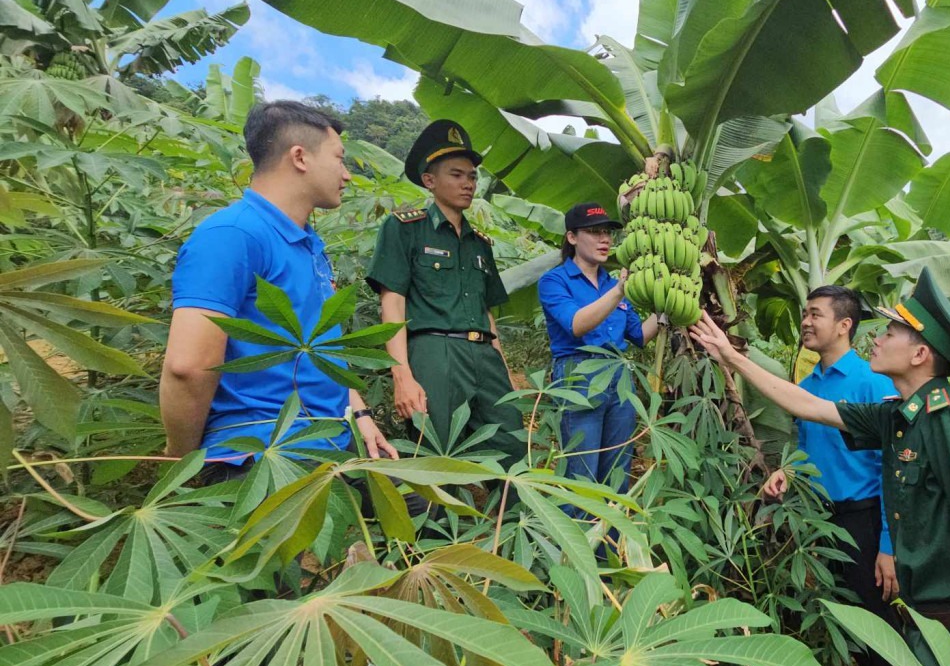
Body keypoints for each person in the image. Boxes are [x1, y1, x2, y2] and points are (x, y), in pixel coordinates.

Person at [688, 269, 950, 666]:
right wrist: (728, 355)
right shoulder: (900, 416)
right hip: (928, 629)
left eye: (890, 332)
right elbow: (808, 405)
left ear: (921, 353)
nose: (877, 339)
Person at [161, 100, 397, 483]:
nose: (347, 175)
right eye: (339, 158)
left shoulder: (307, 243)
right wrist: (182, 462)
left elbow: (321, 349)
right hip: (260, 454)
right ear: (300, 157)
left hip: (329, 440)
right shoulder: (232, 235)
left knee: (429, 514)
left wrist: (360, 415)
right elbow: (187, 368)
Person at [763, 285, 913, 666]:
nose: (806, 322)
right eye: (805, 314)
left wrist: (888, 545)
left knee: (876, 628)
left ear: (845, 325)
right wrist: (787, 473)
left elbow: (894, 470)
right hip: (818, 521)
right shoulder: (808, 385)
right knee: (839, 622)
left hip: (863, 521)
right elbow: (811, 451)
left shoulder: (872, 383)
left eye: (815, 315)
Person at [366, 119, 524, 476]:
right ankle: (435, 531)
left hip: (484, 355)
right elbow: (392, 303)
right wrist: (402, 376)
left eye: (472, 176)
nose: (468, 183)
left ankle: (513, 528)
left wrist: (503, 370)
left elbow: (487, 313)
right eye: (457, 174)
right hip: (435, 353)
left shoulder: (480, 243)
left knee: (511, 451)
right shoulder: (405, 227)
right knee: (435, 457)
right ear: (429, 180)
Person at [538, 202, 659, 502]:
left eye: (607, 232)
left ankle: (611, 546)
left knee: (617, 471)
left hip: (619, 377)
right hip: (578, 375)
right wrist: (618, 290)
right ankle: (575, 544)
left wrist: (670, 303)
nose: (604, 239)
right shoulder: (554, 281)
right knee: (583, 474)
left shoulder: (611, 281)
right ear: (572, 238)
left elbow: (639, 336)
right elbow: (576, 324)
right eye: (594, 232)